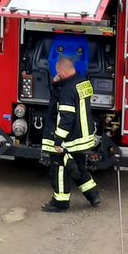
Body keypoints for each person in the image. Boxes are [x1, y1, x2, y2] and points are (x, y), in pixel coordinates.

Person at [41, 56, 100, 212]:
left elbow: (67, 117)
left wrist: (58, 140)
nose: (57, 74)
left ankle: (60, 203)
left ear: (65, 71)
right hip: (84, 137)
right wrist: (57, 83)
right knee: (78, 167)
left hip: (70, 139)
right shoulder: (83, 82)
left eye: (59, 72)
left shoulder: (68, 89)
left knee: (59, 168)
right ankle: (93, 195)